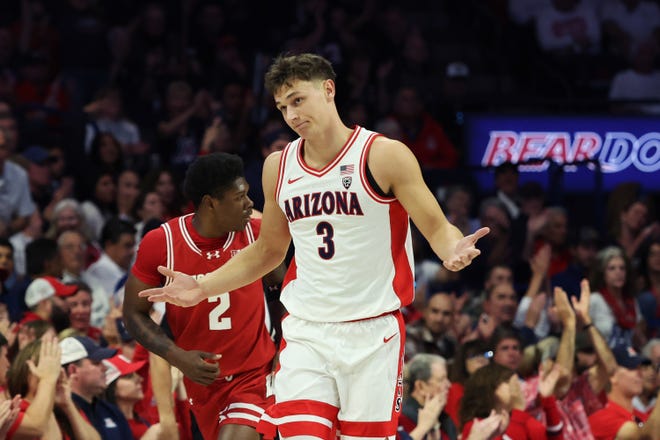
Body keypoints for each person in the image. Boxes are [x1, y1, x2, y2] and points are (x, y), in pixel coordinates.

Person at [140, 52, 489, 440]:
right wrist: (203, 285)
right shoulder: (279, 165)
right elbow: (268, 251)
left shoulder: (383, 155)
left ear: (328, 90)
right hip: (307, 332)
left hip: (372, 332)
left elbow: (437, 227)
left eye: (298, 100)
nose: (291, 115)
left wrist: (452, 249)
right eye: (282, 107)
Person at [123, 152, 279, 440]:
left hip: (254, 377)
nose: (250, 204)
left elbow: (285, 293)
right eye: (240, 197)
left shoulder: (258, 237)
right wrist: (178, 357)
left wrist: (284, 349)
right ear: (211, 203)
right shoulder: (162, 243)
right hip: (203, 384)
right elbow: (133, 313)